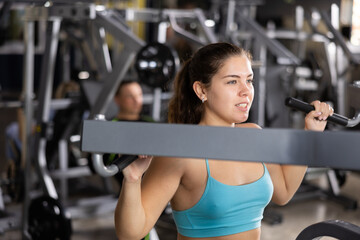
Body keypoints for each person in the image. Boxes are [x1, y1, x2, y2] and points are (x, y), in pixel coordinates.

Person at [114, 42, 334, 240]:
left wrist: (311, 134)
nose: (246, 91)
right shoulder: (180, 151)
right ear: (202, 90)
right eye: (232, 81)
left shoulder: (255, 136)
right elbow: (131, 233)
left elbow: (283, 192)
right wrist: (133, 179)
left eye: (249, 80)